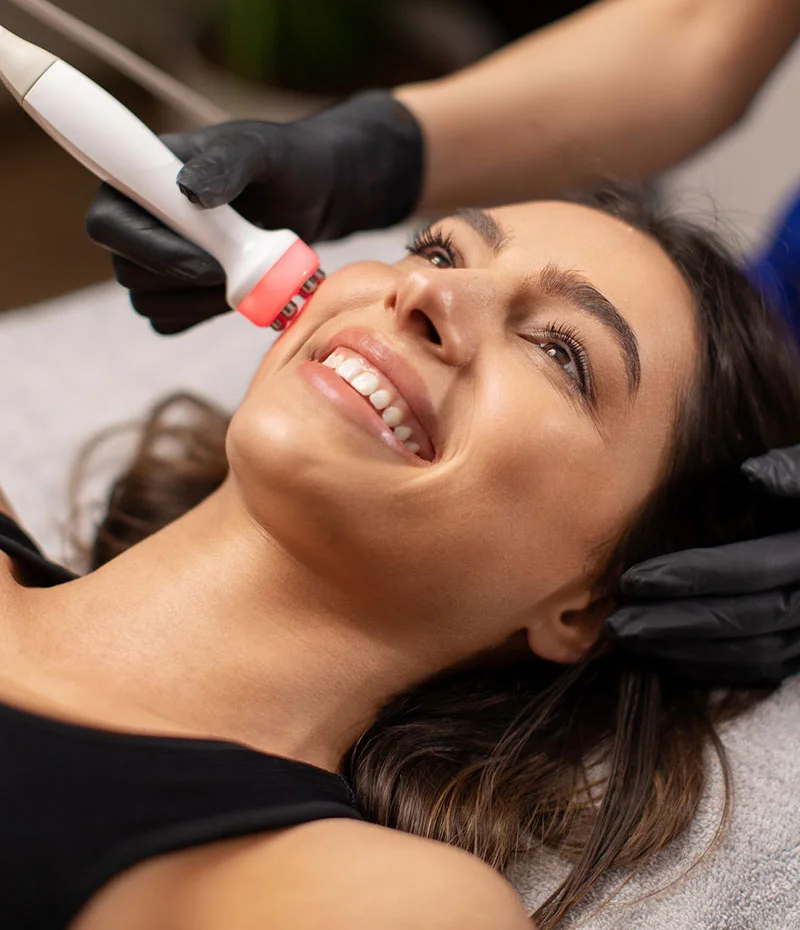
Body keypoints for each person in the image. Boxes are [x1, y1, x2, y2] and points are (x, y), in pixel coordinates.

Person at [3, 187, 800, 929]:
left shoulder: (384, 902)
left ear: (588, 603)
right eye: (441, 252)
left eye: (561, 353)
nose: (427, 294)